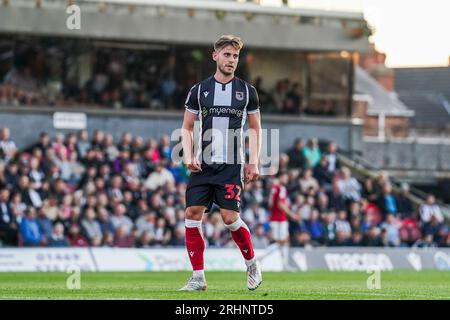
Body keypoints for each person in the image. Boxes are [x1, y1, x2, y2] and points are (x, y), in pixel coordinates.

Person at [179, 35, 262, 291]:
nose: (231, 60)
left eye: (235, 56)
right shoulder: (199, 90)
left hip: (231, 165)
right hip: (203, 165)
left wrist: (254, 162)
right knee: (192, 215)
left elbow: (256, 128)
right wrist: (189, 154)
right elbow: (187, 127)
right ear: (215, 56)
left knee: (229, 218)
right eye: (227, 55)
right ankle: (198, 278)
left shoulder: (247, 91)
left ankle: (252, 264)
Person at [268, 172, 293, 270]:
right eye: (285, 177)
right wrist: (291, 214)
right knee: (282, 242)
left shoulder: (274, 189)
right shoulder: (281, 188)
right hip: (280, 219)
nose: (286, 180)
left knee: (279, 242)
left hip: (274, 218)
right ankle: (260, 258)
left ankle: (284, 265)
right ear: (281, 177)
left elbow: (271, 204)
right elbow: (280, 204)